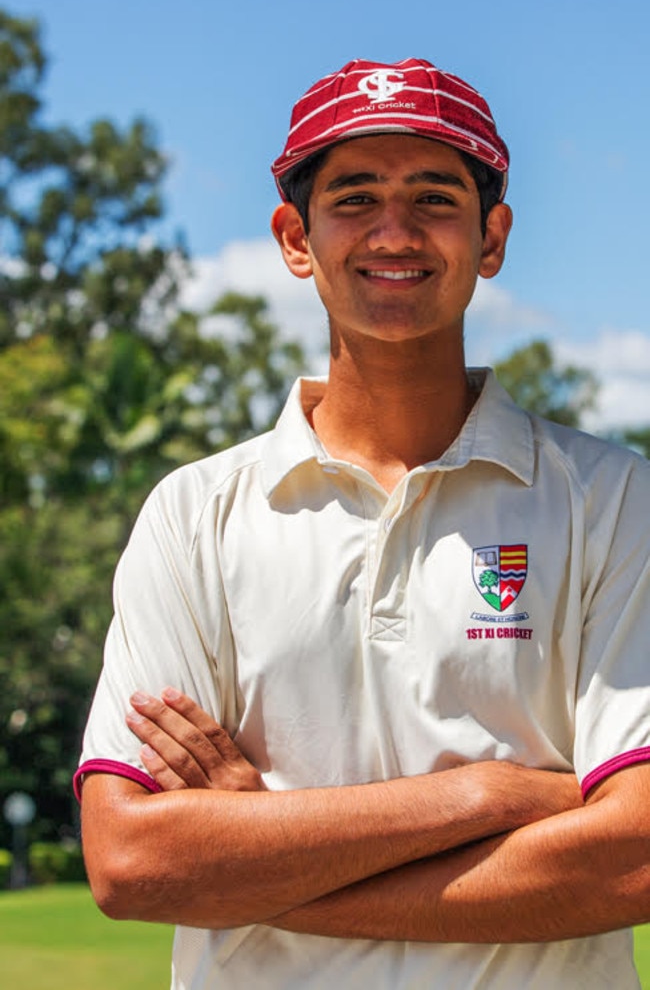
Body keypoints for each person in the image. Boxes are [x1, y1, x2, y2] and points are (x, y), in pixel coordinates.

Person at [76, 58, 650, 989]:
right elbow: (135, 858)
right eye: (354, 197)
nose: (395, 230)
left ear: (491, 236)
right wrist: (487, 793)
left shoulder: (616, 499)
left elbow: (635, 852)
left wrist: (255, 860)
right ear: (295, 238)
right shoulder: (195, 515)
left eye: (433, 195)